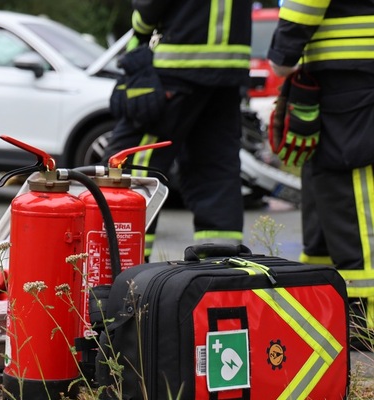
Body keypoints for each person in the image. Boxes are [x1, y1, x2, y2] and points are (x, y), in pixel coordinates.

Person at [105, 0, 252, 260]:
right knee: (215, 170)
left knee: (130, 165)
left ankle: (123, 270)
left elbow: (148, 8)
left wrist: (141, 25)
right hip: (229, 73)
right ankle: (218, 272)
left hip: (177, 65)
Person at [267, 0, 374, 333]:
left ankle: (362, 320)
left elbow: (305, 4)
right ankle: (323, 307)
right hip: (351, 75)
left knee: (350, 192)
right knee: (324, 200)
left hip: (351, 77)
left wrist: (283, 54)